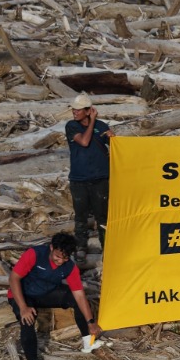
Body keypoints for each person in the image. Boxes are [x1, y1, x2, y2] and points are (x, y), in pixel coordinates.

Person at [6, 232, 106, 360]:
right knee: (27, 321)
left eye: (65, 258)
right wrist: (23, 307)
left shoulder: (69, 267)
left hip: (45, 294)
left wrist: (91, 322)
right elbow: (14, 278)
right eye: (57, 256)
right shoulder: (34, 254)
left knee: (75, 299)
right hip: (23, 294)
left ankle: (88, 342)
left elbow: (79, 295)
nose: (60, 261)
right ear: (51, 247)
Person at [65, 94, 111, 261]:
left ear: (87, 110)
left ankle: (107, 246)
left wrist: (112, 137)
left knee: (102, 216)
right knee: (81, 216)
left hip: (100, 178)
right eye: (74, 109)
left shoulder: (102, 126)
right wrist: (92, 122)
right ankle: (80, 247)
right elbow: (84, 142)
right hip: (79, 179)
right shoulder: (71, 126)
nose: (74, 112)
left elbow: (114, 145)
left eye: (78, 110)